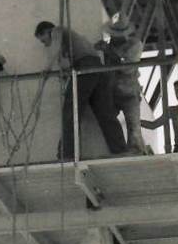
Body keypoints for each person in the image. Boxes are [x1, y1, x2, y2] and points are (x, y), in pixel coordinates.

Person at [34, 20, 126, 161]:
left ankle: (67, 154)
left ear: (46, 31)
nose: (45, 44)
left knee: (70, 112)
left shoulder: (57, 31)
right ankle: (120, 149)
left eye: (43, 40)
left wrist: (46, 69)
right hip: (97, 69)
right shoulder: (72, 38)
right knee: (105, 112)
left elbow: (55, 49)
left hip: (85, 68)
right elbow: (65, 61)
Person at [101, 15, 147, 154]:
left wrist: (108, 51)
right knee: (107, 121)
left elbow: (128, 68)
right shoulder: (108, 47)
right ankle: (118, 149)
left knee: (133, 125)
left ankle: (137, 150)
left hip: (129, 90)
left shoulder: (134, 44)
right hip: (111, 91)